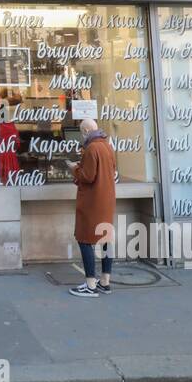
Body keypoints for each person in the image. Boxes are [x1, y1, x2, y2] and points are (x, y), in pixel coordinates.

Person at [68, 119, 117, 298]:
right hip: (107, 199)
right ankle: (105, 281)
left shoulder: (91, 148)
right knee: (105, 239)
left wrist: (74, 169)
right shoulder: (107, 146)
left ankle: (90, 284)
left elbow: (87, 176)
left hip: (92, 200)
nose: (82, 135)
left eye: (82, 131)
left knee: (84, 239)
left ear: (87, 130)